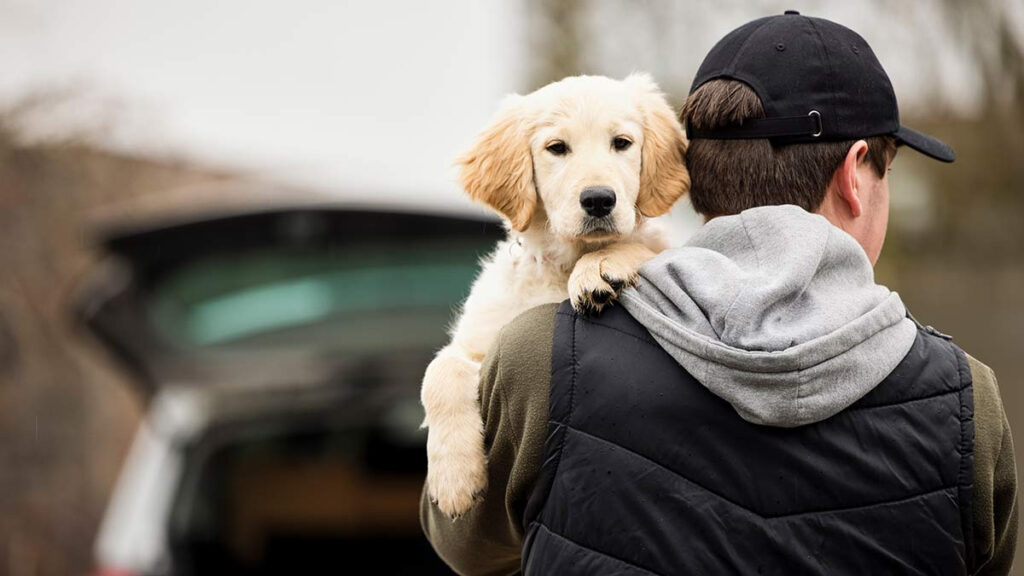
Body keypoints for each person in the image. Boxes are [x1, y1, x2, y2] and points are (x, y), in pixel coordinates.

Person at [420, 11, 1018, 575]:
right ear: (857, 173)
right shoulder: (968, 402)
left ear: (690, 175)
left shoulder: (539, 357)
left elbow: (467, 546)